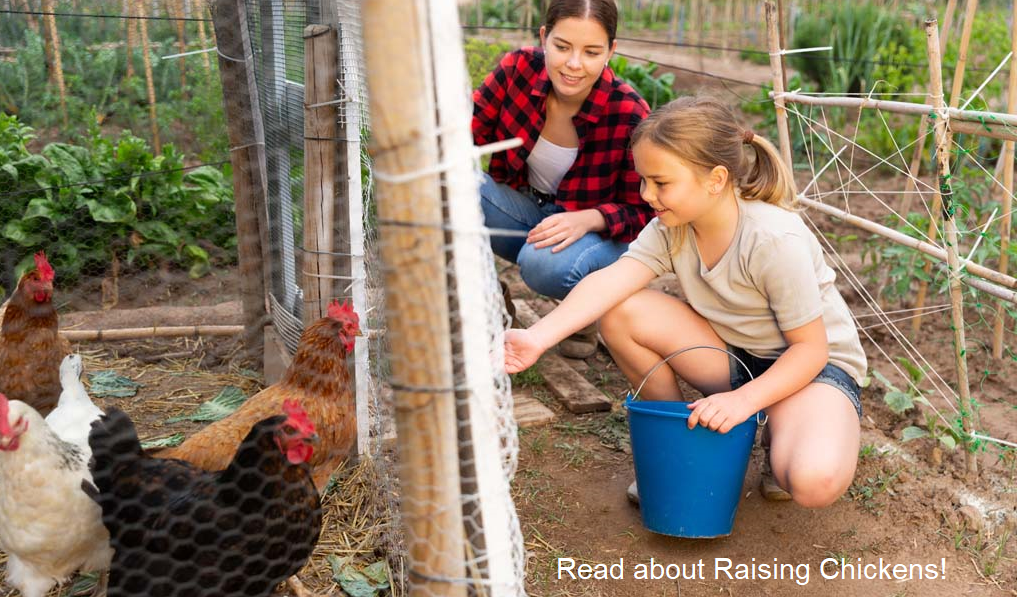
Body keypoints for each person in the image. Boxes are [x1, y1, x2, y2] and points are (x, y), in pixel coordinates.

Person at [504, 96, 867, 508]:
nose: (647, 194)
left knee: (813, 480)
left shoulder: (773, 240)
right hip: (737, 356)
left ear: (715, 180)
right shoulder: (671, 227)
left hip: (811, 369)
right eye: (643, 180)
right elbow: (610, 282)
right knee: (622, 312)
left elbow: (811, 350)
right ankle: (679, 444)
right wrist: (537, 337)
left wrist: (744, 401)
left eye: (661, 183)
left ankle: (783, 430)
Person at [472, 0, 653, 358]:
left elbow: (647, 212)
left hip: (597, 235)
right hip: (526, 211)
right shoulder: (517, 70)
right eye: (562, 46)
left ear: (611, 51)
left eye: (591, 52)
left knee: (543, 265)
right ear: (544, 38)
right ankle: (488, 303)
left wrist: (589, 218)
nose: (573, 64)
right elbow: (467, 133)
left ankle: (583, 310)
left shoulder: (629, 112)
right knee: (448, 186)